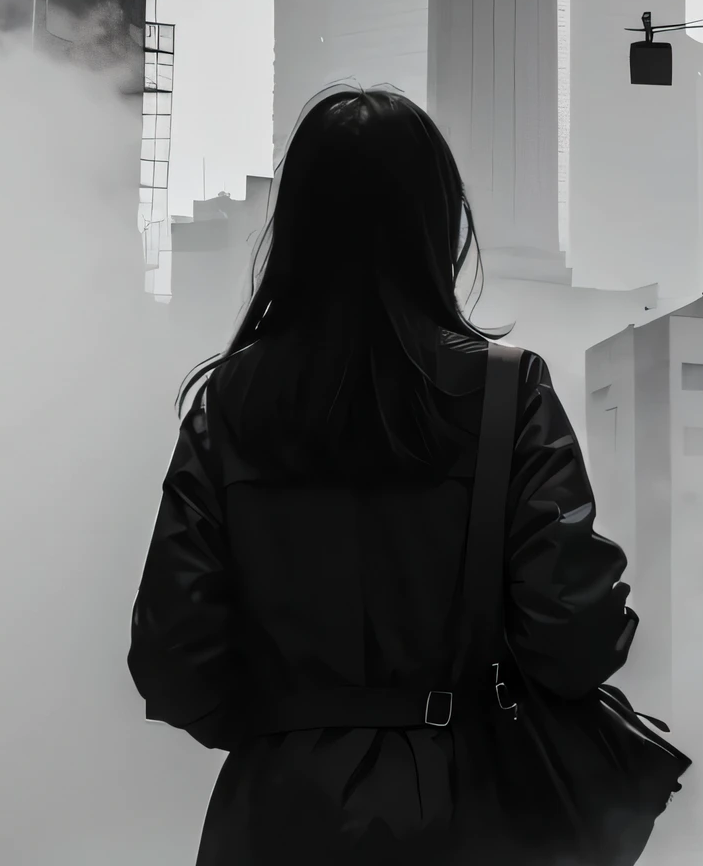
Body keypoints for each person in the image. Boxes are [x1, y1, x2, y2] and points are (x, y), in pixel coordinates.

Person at [130, 87, 638, 862]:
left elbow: (172, 657)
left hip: (271, 820)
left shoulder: (229, 406)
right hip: (466, 819)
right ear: (437, 224)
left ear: (297, 228)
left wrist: (288, 727)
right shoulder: (510, 394)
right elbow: (574, 631)